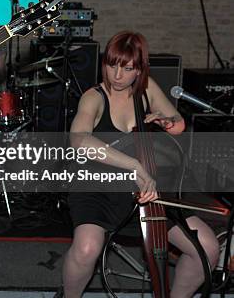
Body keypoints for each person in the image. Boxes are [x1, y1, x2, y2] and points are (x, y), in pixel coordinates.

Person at [60, 31, 219, 297]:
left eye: (127, 68)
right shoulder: (94, 96)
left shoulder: (146, 89)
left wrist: (165, 121)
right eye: (111, 65)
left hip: (143, 189)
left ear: (139, 70)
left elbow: (178, 123)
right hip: (97, 187)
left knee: (208, 249)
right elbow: (78, 140)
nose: (117, 76)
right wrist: (135, 164)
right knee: (86, 248)